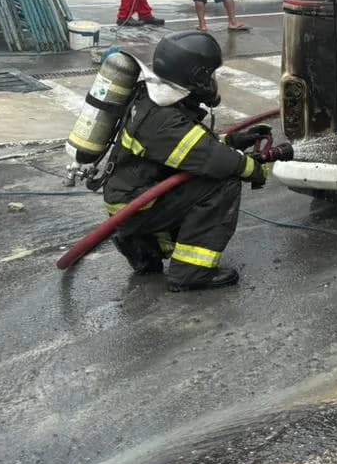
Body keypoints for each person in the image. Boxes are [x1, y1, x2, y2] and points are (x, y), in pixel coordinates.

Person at [103, 31, 276, 292]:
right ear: (195, 76)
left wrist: (235, 140)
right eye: (209, 74)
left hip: (135, 199)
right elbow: (213, 160)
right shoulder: (163, 121)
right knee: (223, 183)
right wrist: (254, 167)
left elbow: (195, 148)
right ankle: (191, 272)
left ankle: (144, 246)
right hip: (138, 206)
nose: (212, 81)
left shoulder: (156, 100)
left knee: (201, 178)